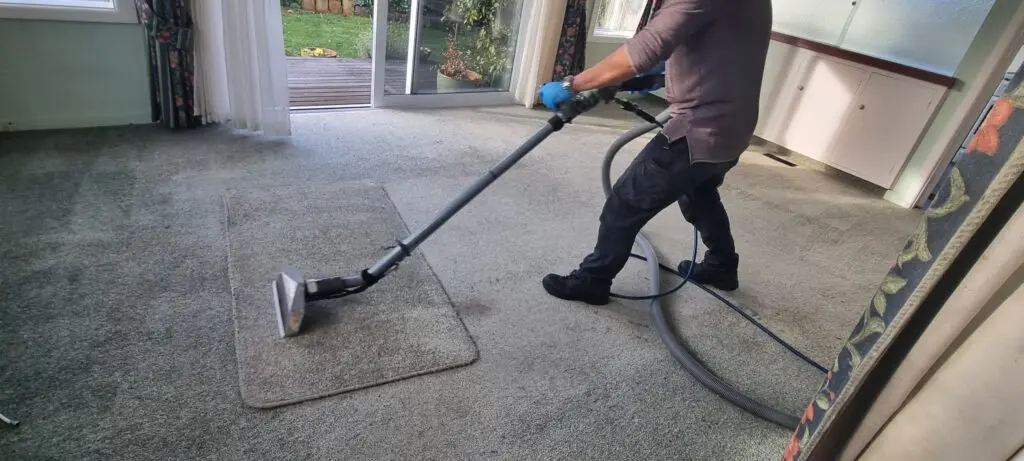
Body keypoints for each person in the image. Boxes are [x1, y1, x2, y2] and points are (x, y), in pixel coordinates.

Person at [537, 0, 773, 305]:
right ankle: (722, 265)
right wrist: (662, 74)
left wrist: (571, 85)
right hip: (734, 127)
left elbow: (647, 47)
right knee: (699, 192)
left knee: (625, 201)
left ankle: (592, 280)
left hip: (700, 129)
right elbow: (717, 53)